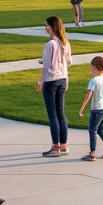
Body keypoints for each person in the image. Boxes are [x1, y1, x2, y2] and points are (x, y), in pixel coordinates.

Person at [36, 15, 72, 157]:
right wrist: (67, 80)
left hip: (51, 80)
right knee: (61, 113)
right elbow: (67, 63)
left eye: (47, 25)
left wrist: (41, 81)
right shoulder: (65, 43)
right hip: (62, 79)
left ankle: (55, 147)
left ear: (53, 27)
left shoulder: (50, 44)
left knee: (52, 115)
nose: (46, 28)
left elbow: (47, 66)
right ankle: (64, 145)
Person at [77, 55, 103, 161]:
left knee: (92, 129)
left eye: (91, 66)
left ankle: (92, 153)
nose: (90, 69)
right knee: (100, 128)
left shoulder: (93, 81)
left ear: (95, 67)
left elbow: (89, 95)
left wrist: (82, 108)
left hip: (97, 109)